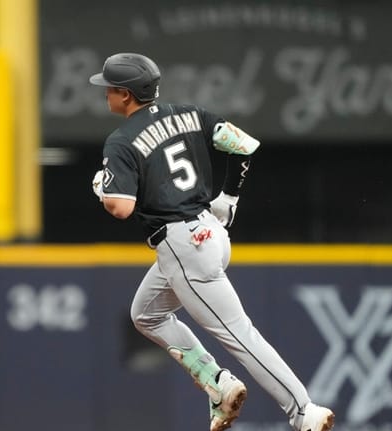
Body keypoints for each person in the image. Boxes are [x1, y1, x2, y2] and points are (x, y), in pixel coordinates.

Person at [89, 52, 335, 431]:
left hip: (183, 246)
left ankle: (303, 411)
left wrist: (103, 190)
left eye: (109, 88)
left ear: (125, 95)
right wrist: (230, 197)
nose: (105, 94)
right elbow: (245, 145)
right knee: (146, 314)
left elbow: (120, 207)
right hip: (211, 233)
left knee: (239, 334)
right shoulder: (189, 113)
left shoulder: (121, 140)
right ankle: (217, 383)